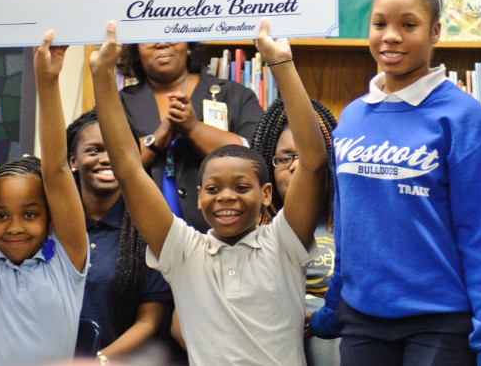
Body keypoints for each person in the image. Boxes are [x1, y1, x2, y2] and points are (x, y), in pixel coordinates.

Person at [309, 0, 481, 366]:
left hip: (441, 324)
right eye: (380, 23)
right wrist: (333, 306)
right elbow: (350, 226)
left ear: (436, 31)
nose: (391, 36)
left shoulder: (463, 118)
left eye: (409, 25)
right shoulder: (351, 117)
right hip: (362, 321)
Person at [90, 19, 327, 365]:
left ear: (265, 194)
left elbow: (313, 162)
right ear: (199, 196)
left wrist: (281, 63)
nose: (226, 197)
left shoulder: (284, 242)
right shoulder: (184, 252)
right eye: (213, 189)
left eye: (241, 187)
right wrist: (100, 74)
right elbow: (127, 170)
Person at [0, 31, 88, 366]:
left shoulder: (66, 264)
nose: (14, 227)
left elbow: (57, 171)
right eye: (1, 215)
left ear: (50, 219)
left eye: (31, 214)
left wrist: (47, 80)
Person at [118, 41, 264, 232]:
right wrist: (156, 140)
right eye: (149, 38)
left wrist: (193, 128)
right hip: (142, 238)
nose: (161, 43)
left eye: (171, 35)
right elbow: (108, 162)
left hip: (221, 234)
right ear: (136, 50)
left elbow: (257, 156)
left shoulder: (235, 95)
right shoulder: (120, 102)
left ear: (189, 46)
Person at [66, 110, 174, 363]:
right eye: (94, 150)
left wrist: (98, 361)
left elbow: (149, 321)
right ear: (73, 161)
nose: (106, 159)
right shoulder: (53, 226)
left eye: (115, 150)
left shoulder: (146, 230)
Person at [252, 98, 340, 366]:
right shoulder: (250, 231)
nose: (295, 166)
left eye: (306, 157)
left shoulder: (351, 225)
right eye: (285, 157)